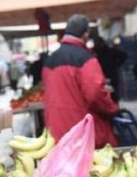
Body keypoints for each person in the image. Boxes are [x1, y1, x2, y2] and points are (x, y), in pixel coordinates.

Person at [43, 14, 119, 147]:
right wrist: (112, 108)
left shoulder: (49, 60)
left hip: (56, 132)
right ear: (85, 34)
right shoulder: (85, 59)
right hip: (83, 134)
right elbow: (96, 94)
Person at [92, 33, 126, 103]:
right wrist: (116, 64)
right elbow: (123, 56)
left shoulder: (95, 53)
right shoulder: (109, 51)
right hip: (112, 76)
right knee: (113, 96)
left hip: (102, 77)